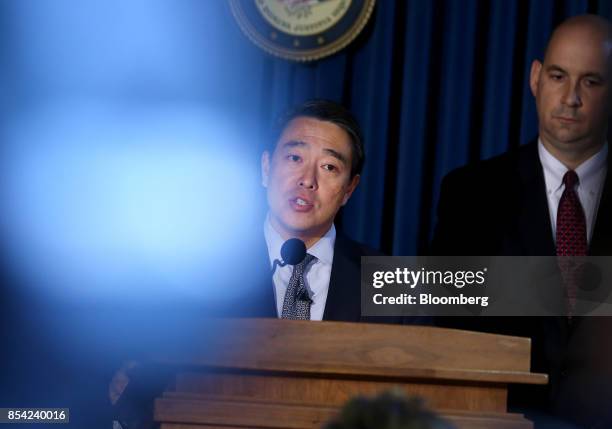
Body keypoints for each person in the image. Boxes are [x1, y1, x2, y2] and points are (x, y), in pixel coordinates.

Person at [431, 15, 612, 428]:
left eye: (591, 81)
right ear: (535, 78)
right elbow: (443, 321)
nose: (570, 98)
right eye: (558, 75)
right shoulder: (469, 193)